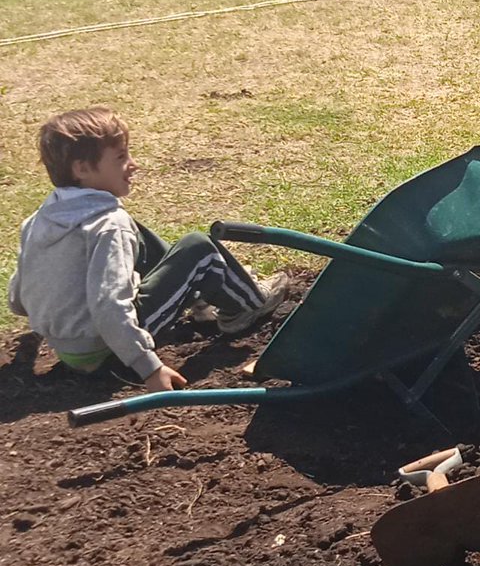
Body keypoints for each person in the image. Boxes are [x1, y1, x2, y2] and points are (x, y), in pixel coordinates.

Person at [8, 107, 289, 391]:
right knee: (199, 248)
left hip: (71, 351)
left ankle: (201, 300)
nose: (134, 164)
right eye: (120, 157)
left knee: (137, 233)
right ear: (82, 169)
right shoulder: (109, 226)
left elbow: (18, 297)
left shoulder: (38, 220)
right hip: (109, 350)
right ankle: (249, 303)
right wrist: (148, 366)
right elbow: (108, 304)